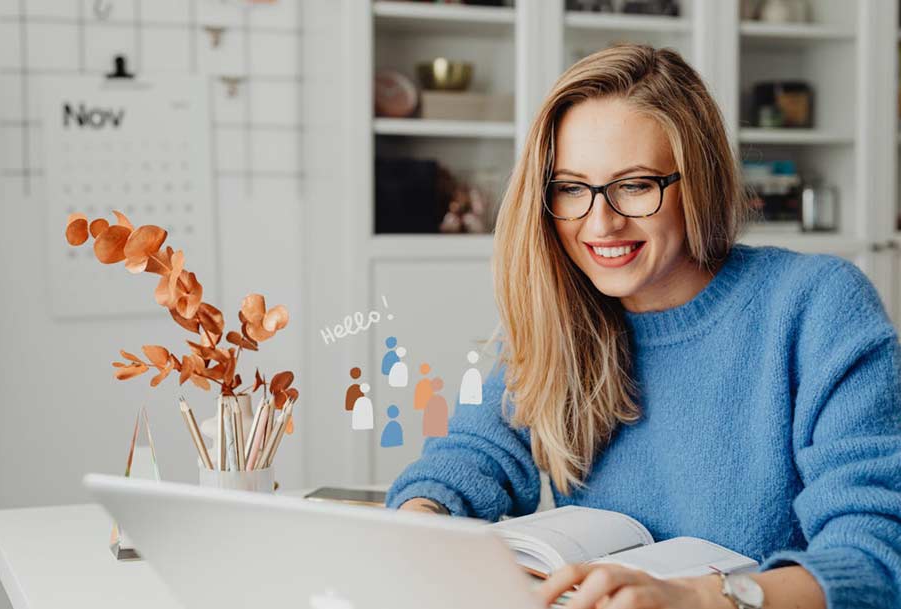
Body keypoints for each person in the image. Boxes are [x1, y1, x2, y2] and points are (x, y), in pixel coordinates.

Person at [386, 44, 901, 609]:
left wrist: (702, 599)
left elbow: (874, 559)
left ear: (698, 182)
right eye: (571, 188)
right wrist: (420, 523)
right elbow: (471, 456)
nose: (600, 223)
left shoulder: (815, 305)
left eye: (634, 185)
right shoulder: (564, 312)